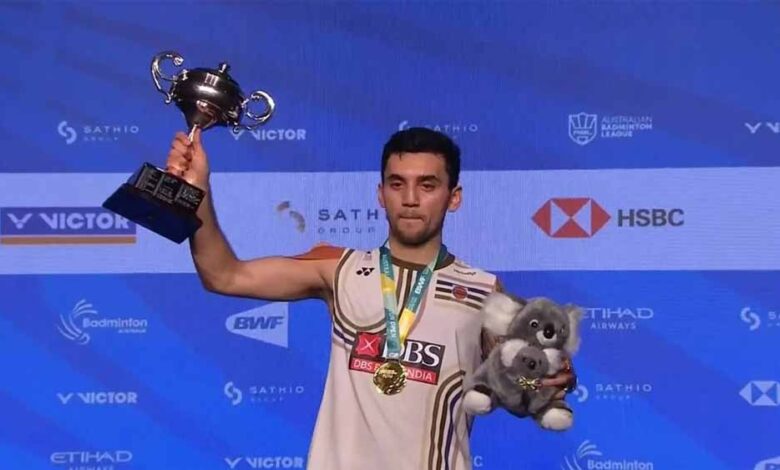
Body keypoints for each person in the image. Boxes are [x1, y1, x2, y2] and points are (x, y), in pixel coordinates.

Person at [166, 127, 576, 470]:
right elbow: (224, 275)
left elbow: (516, 384)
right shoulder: (338, 268)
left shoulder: (484, 292)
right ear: (381, 194)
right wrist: (197, 192)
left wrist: (548, 381)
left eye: (427, 185)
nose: (410, 198)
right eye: (398, 184)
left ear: (454, 197)